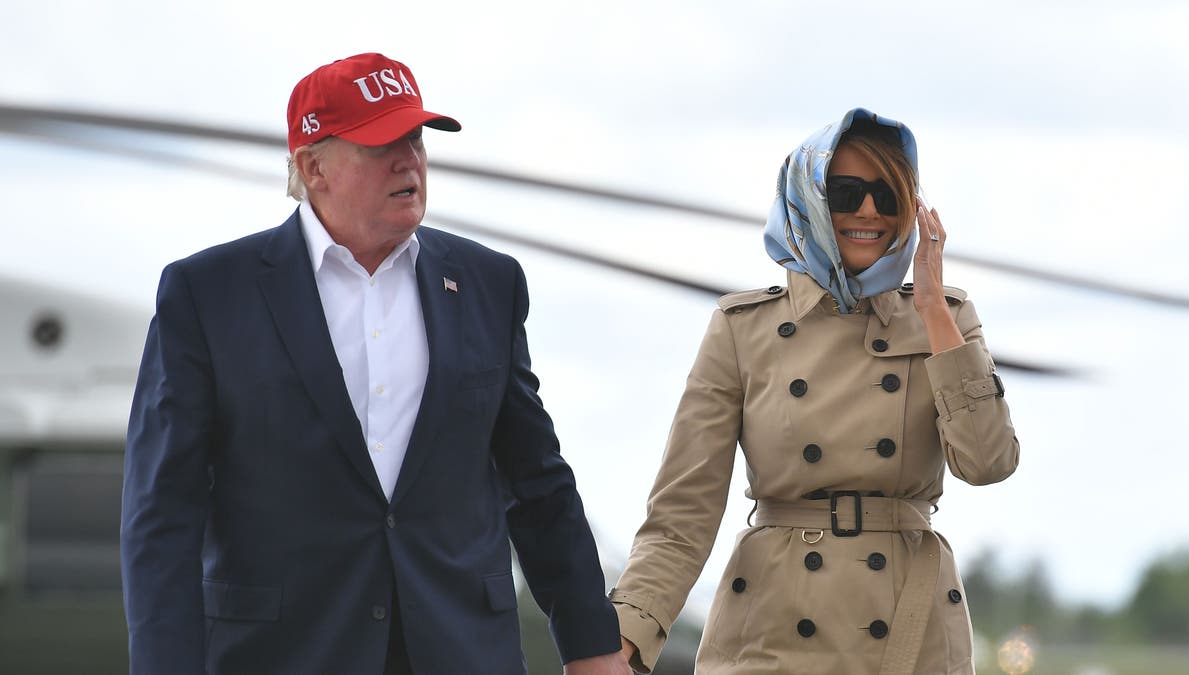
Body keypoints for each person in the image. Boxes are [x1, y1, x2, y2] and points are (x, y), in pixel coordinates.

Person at [121, 52, 630, 675]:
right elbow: (162, 515)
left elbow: (539, 485)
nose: (408, 159)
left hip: (464, 653)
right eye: (380, 142)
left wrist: (594, 649)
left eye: (414, 137)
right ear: (313, 167)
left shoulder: (489, 284)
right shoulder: (207, 295)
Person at [608, 108, 1020, 674]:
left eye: (888, 194)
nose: (869, 211)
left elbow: (988, 461)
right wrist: (624, 640)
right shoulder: (742, 327)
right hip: (773, 631)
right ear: (808, 199)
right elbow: (683, 512)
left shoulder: (945, 318)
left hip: (909, 625)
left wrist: (931, 313)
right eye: (847, 192)